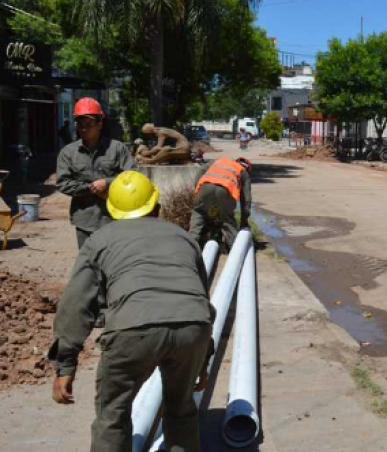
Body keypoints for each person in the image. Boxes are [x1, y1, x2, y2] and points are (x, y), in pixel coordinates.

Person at [48, 170, 215, 452]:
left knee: (112, 417)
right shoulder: (183, 237)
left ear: (111, 210)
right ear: (157, 205)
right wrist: (203, 357)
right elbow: (199, 298)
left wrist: (65, 365)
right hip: (192, 328)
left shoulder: (99, 240)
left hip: (132, 331)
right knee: (181, 412)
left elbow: (76, 305)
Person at [57, 98, 137, 249]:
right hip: (84, 220)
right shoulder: (68, 153)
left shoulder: (117, 149)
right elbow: (62, 183)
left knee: (113, 263)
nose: (84, 129)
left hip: (114, 218)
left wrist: (107, 183)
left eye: (89, 124)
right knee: (88, 264)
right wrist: (91, 188)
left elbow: (133, 176)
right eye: (80, 125)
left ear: (100, 124)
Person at [189, 157, 253, 250]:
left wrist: (197, 188)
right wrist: (244, 220)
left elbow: (200, 170)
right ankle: (234, 251)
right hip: (225, 191)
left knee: (199, 214)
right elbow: (246, 200)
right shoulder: (243, 172)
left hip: (205, 187)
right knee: (227, 220)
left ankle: (191, 246)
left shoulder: (220, 160)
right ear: (248, 168)